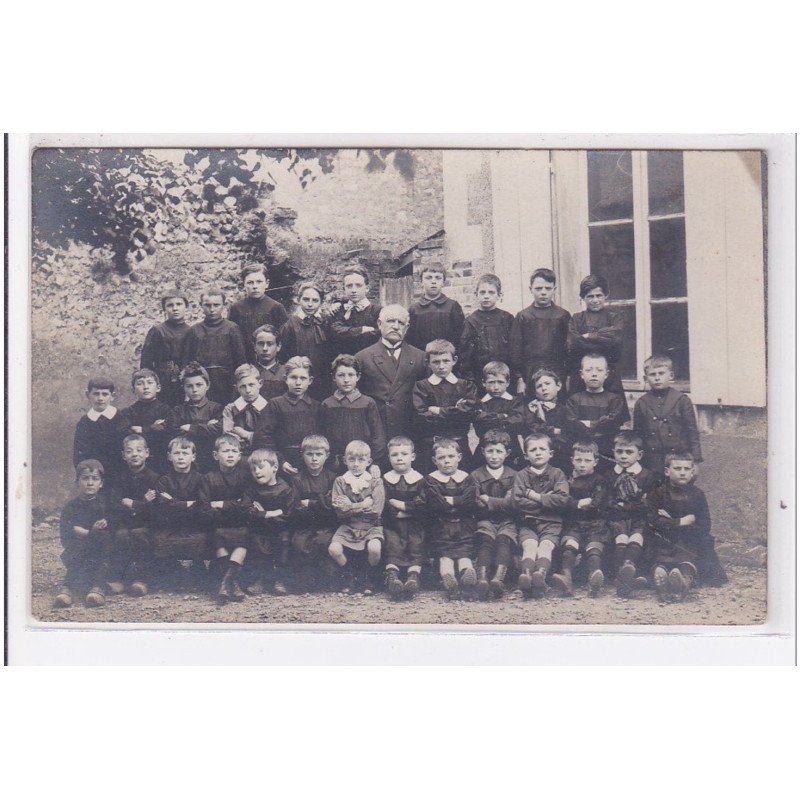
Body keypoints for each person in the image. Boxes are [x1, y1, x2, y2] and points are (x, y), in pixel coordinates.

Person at [646, 452, 726, 601]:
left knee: (689, 559)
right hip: (664, 539)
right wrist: (682, 521)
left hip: (689, 539)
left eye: (686, 469)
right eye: (677, 468)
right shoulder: (658, 494)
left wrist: (670, 521)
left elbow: (704, 525)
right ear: (667, 471)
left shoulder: (697, 495)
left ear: (692, 472)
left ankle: (683, 583)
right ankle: (660, 579)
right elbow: (653, 522)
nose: (682, 472)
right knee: (659, 559)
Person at [355, 304, 427, 444]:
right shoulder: (362, 357)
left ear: (406, 328)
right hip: (377, 430)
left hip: (408, 430)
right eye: (391, 321)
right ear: (379, 324)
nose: (395, 326)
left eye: (400, 323)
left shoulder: (420, 357)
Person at [510, 433, 570, 599]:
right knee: (529, 546)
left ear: (550, 453)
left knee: (545, 547)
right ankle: (527, 576)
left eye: (542, 449)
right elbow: (517, 501)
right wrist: (547, 501)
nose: (538, 452)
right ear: (525, 455)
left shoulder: (557, 474)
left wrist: (534, 496)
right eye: (533, 449)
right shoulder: (521, 475)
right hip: (528, 522)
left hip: (552, 523)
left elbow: (562, 499)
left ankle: (540, 576)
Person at [550, 441, 609, 597]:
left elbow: (596, 504)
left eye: (587, 461)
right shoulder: (566, 480)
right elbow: (560, 501)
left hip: (595, 524)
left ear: (595, 462)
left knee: (594, 550)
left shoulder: (599, 480)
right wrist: (577, 503)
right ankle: (566, 580)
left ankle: (593, 581)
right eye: (579, 460)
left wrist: (573, 503)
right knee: (569, 548)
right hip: (573, 523)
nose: (582, 464)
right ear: (572, 460)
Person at [424, 438, 480, 600]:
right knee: (445, 555)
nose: (447, 461)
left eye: (450, 456)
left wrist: (450, 501)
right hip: (441, 526)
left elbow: (471, 502)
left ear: (459, 457)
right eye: (441, 458)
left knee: (465, 554)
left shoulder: (466, 478)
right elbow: (435, 503)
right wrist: (459, 502)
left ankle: (467, 576)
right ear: (435, 460)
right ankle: (449, 580)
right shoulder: (431, 479)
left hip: (464, 525)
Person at [606, 431, 660, 597]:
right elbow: (607, 502)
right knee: (621, 539)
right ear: (613, 452)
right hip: (617, 519)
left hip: (639, 519)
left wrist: (624, 505)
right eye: (619, 451)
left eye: (629, 452)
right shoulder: (609, 475)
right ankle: (623, 577)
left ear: (640, 455)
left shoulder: (647, 476)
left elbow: (648, 503)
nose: (623, 456)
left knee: (636, 538)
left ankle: (627, 570)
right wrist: (628, 506)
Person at [412, 339, 478, 472]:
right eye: (436, 362)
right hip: (432, 447)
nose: (441, 366)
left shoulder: (466, 386)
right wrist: (455, 410)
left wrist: (438, 410)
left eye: (446, 361)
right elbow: (422, 417)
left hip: (459, 444)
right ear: (427, 363)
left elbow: (469, 413)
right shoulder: (421, 387)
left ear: (454, 360)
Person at [329, 440, 386, 594]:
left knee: (374, 548)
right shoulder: (340, 482)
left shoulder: (375, 482)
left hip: (371, 526)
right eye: (351, 459)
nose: (356, 464)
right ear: (344, 460)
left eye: (361, 460)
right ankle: (349, 574)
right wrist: (363, 504)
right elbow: (340, 511)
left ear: (369, 461)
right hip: (348, 526)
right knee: (334, 549)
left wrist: (351, 506)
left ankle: (367, 577)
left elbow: (376, 511)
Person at [199, 434, 251, 601]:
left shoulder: (245, 476)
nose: (230, 454)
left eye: (234, 451)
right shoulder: (208, 478)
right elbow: (204, 507)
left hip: (239, 522)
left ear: (239, 455)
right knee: (217, 534)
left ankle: (225, 582)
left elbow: (246, 504)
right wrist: (232, 505)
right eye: (226, 451)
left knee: (242, 535)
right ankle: (232, 583)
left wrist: (220, 504)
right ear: (216, 455)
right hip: (217, 522)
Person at [55, 460, 112, 608]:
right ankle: (67, 588)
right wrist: (88, 534)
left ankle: (98, 588)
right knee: (78, 548)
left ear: (101, 483)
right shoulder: (71, 507)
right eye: (85, 478)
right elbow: (66, 536)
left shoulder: (105, 505)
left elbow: (110, 532)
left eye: (95, 479)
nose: (90, 483)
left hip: (100, 554)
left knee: (105, 545)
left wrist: (89, 532)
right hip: (79, 553)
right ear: (77, 482)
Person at [633, 354, 703, 475]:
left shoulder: (682, 400)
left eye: (661, 373)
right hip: (651, 461)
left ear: (671, 375)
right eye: (652, 374)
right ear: (645, 378)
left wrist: (695, 461)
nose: (657, 378)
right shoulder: (641, 403)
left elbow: (692, 433)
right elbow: (637, 434)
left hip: (678, 460)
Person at [108, 434, 159, 597]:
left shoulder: (154, 478)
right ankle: (120, 579)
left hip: (146, 524)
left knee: (139, 534)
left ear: (147, 453)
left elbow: (154, 509)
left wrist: (133, 504)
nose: (134, 454)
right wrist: (143, 502)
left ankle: (142, 579)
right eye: (129, 451)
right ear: (124, 455)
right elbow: (114, 505)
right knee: (121, 535)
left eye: (139, 450)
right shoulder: (119, 478)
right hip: (124, 523)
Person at [252, 356, 321, 475]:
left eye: (303, 378)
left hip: (310, 465)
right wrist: (280, 461)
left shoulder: (316, 406)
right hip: (282, 464)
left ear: (310, 380)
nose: (298, 382)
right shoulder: (275, 404)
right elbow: (263, 437)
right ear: (285, 379)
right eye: (293, 377)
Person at [153, 437, 208, 586]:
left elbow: (202, 506)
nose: (181, 457)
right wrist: (188, 504)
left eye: (185, 453)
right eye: (177, 453)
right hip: (171, 525)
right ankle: (174, 572)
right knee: (160, 540)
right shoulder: (164, 480)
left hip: (193, 524)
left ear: (193, 457)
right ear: (169, 457)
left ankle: (198, 573)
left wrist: (174, 502)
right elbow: (163, 507)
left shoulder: (201, 479)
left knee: (201, 539)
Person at [470, 431, 518, 600]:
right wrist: (501, 503)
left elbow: (514, 503)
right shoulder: (476, 475)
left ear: (507, 453)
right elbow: (475, 503)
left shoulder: (514, 475)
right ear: (483, 451)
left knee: (504, 541)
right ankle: (482, 578)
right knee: (485, 541)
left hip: (507, 521)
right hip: (485, 519)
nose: (494, 456)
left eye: (499, 452)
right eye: (490, 451)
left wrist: (489, 500)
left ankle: (498, 578)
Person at [509, 268, 571, 396]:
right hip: (530, 372)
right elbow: (515, 350)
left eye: (548, 288)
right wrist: (520, 378)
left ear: (555, 289)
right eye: (538, 288)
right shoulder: (523, 316)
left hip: (557, 371)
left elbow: (570, 348)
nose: (543, 292)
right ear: (530, 289)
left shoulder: (562, 315)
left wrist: (569, 376)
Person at [319, 354, 386, 471]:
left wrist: (375, 461)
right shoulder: (327, 404)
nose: (346, 380)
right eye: (341, 375)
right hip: (334, 463)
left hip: (361, 463)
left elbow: (377, 435)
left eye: (351, 375)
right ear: (333, 377)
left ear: (358, 376)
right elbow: (322, 435)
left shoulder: (368, 403)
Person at [243, 448, 296, 596]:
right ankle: (261, 579)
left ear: (274, 468)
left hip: (280, 528)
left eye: (261, 467)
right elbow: (247, 509)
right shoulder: (252, 489)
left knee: (284, 542)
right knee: (257, 544)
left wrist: (263, 513)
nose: (257, 472)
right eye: (253, 469)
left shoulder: (285, 489)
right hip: (259, 528)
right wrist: (271, 513)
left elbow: (288, 513)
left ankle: (279, 580)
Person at [566, 275, 626, 404]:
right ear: (583, 298)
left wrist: (589, 336)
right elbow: (574, 342)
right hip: (582, 376)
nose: (595, 300)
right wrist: (602, 341)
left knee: (611, 410)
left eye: (598, 295)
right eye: (590, 296)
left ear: (606, 295)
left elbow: (615, 338)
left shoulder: (615, 318)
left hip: (609, 375)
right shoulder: (576, 319)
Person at [289, 435, 338, 591]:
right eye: (310, 454)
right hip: (304, 524)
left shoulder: (333, 478)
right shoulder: (297, 479)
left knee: (323, 541)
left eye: (319, 454)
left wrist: (310, 503)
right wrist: (321, 504)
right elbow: (295, 506)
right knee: (299, 543)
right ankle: (306, 581)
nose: (314, 459)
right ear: (302, 455)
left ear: (327, 455)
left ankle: (326, 579)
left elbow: (332, 506)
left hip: (326, 525)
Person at [382, 436, 428, 599]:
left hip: (414, 523)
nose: (399, 458)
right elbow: (384, 503)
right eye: (394, 455)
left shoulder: (420, 480)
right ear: (389, 458)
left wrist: (402, 507)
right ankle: (392, 577)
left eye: (404, 454)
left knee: (416, 545)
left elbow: (422, 503)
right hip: (393, 523)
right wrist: (396, 511)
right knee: (393, 545)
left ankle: (413, 577)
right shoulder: (386, 480)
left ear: (413, 457)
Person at [183, 287, 247, 404]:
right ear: (201, 305)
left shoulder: (232, 328)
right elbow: (188, 361)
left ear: (224, 305)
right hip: (202, 383)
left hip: (227, 381)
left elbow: (240, 359)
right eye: (207, 305)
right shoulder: (194, 330)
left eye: (216, 305)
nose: (212, 309)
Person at [564, 353, 628, 465]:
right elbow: (572, 424)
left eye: (599, 370)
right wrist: (599, 423)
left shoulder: (614, 400)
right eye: (589, 370)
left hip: (606, 450)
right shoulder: (574, 400)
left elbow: (612, 423)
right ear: (581, 374)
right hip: (582, 452)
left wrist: (587, 423)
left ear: (606, 374)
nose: (594, 374)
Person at [279, 280, 334, 401]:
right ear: (298, 300)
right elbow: (283, 356)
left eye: (315, 300)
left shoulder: (325, 321)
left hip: (321, 378)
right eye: (306, 299)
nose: (310, 304)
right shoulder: (290, 325)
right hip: (299, 380)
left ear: (321, 302)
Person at [165, 362, 223, 473]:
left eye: (199, 385)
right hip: (186, 462)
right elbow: (175, 432)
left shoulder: (216, 408)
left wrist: (191, 428)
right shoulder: (178, 411)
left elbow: (218, 430)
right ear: (184, 388)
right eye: (189, 386)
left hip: (210, 459)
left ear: (208, 385)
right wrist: (206, 427)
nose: (194, 389)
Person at [459, 273, 515, 385]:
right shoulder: (471, 321)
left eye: (491, 292)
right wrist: (470, 381)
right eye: (482, 292)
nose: (486, 296)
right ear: (476, 294)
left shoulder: (507, 318)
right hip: (480, 377)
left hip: (505, 376)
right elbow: (465, 356)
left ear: (499, 295)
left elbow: (514, 348)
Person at [140, 288, 191, 407]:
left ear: (186, 307)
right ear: (164, 309)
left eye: (179, 304)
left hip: (183, 380)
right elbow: (146, 362)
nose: (175, 308)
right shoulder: (157, 331)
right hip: (162, 380)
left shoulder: (191, 331)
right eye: (170, 305)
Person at [228, 264, 288, 363]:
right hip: (244, 361)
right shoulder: (236, 308)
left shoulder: (276, 307)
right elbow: (232, 339)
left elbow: (284, 340)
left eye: (259, 282)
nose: (255, 286)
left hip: (270, 361)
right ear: (243, 284)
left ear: (267, 283)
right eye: (250, 282)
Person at [117, 368, 172, 475]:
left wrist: (142, 429)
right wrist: (153, 428)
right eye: (140, 384)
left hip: (160, 460)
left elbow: (165, 430)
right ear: (133, 390)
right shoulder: (128, 412)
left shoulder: (165, 410)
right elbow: (123, 432)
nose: (145, 387)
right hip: (136, 462)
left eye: (150, 383)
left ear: (158, 387)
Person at [72, 377, 122, 487]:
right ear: (87, 395)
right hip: (95, 477)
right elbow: (79, 454)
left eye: (105, 394)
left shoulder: (121, 418)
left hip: (121, 475)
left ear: (112, 396)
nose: (100, 398)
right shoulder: (84, 423)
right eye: (96, 394)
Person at [472, 360, 524, 467]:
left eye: (500, 382)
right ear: (483, 383)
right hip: (486, 449)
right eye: (491, 382)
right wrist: (503, 416)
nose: (496, 387)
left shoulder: (515, 401)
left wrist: (490, 418)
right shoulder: (480, 403)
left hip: (511, 448)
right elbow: (480, 426)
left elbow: (517, 422)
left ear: (508, 383)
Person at [406, 263, 465, 355]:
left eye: (438, 278)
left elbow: (460, 337)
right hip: (421, 359)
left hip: (446, 359)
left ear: (443, 282)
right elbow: (409, 339)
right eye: (429, 278)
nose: (433, 281)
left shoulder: (452, 306)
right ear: (421, 281)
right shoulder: (414, 309)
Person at [520, 368, 571, 474]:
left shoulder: (564, 408)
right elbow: (532, 429)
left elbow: (566, 430)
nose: (544, 388)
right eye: (539, 386)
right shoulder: (532, 408)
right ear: (535, 391)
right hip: (538, 453)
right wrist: (553, 431)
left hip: (560, 453)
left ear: (558, 386)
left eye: (547, 384)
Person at [329, 264, 382, 354]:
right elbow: (335, 331)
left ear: (367, 288)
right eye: (349, 286)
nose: (353, 290)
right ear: (344, 289)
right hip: (345, 361)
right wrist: (361, 330)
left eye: (358, 285)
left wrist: (347, 333)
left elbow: (378, 335)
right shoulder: (339, 309)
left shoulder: (377, 311)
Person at [222, 363, 268, 452]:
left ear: (260, 383)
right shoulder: (230, 409)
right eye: (243, 386)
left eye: (251, 385)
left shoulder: (269, 408)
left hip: (263, 454)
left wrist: (246, 435)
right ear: (237, 388)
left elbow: (267, 438)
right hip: (239, 454)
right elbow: (228, 438)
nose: (248, 390)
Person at [252, 324, 287, 401]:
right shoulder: (248, 372)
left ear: (278, 346)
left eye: (270, 344)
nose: (265, 348)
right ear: (254, 346)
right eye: (261, 343)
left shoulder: (286, 372)